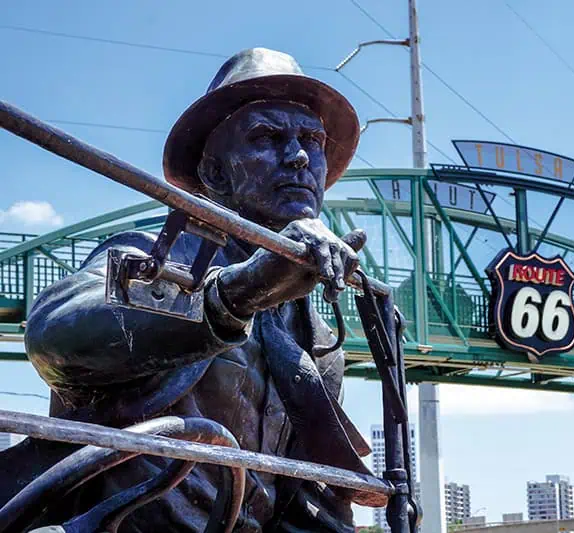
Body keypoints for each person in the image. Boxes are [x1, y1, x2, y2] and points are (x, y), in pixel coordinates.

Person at [6, 47, 382, 532]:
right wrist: (233, 295)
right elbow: (51, 337)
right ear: (214, 175)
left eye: (312, 139)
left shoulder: (318, 344)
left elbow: (305, 499)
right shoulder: (151, 260)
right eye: (268, 137)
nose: (300, 157)